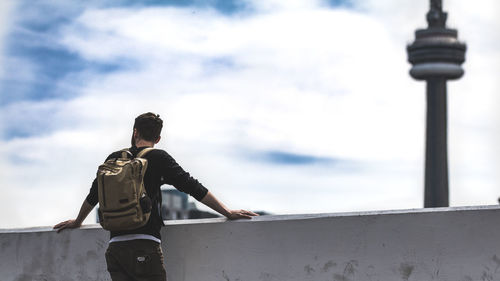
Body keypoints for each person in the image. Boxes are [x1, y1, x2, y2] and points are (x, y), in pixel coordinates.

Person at [54, 112, 258, 281]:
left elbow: (94, 195)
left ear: (135, 132)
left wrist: (78, 221)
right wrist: (227, 212)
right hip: (145, 245)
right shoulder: (158, 158)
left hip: (114, 248)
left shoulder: (113, 159)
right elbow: (193, 187)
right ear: (158, 139)